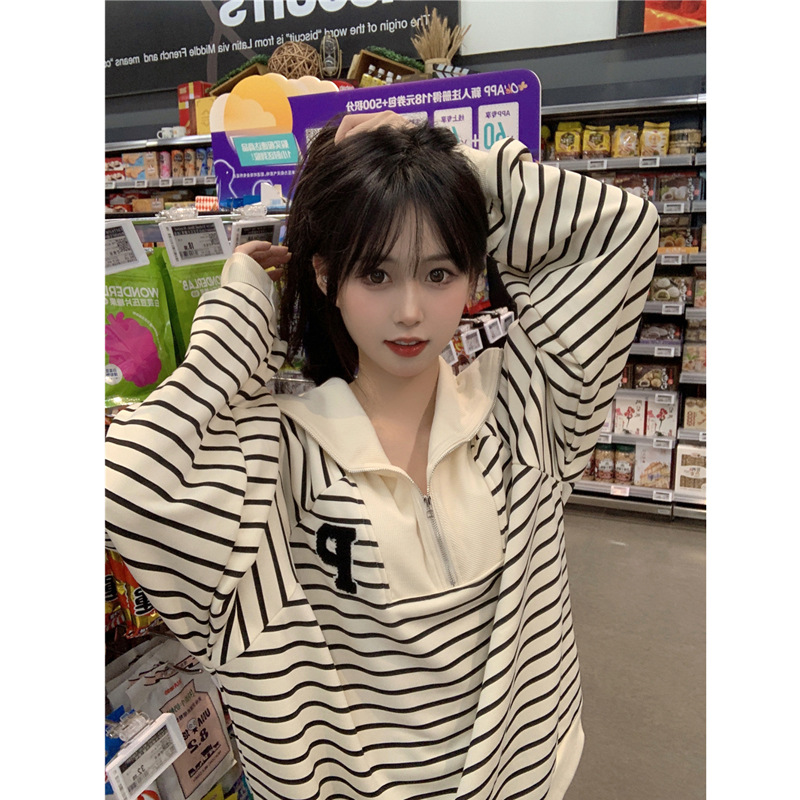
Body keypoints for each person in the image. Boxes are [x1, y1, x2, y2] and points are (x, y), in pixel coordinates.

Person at [106, 111, 659, 800]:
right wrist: (242, 316)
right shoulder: (276, 467)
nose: (410, 311)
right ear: (326, 275)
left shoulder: (524, 412)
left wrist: (440, 165)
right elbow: (128, 478)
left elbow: (620, 230)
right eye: (376, 273)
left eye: (439, 272)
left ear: (473, 275)